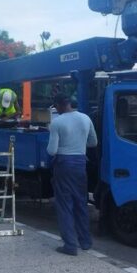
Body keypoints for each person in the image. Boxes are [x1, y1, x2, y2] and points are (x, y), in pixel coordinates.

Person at [46, 93, 98, 256]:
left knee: (65, 205)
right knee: (81, 204)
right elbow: (93, 142)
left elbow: (52, 150)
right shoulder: (85, 118)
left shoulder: (57, 122)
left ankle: (70, 245)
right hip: (80, 164)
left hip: (64, 165)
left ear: (61, 105)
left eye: (56, 107)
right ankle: (85, 242)